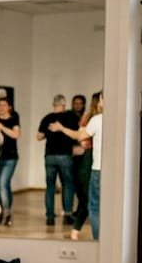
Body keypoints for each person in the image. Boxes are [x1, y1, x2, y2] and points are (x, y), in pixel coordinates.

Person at [37, 94, 80, 226]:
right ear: (64, 105)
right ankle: (67, 214)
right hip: (65, 156)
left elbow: (39, 136)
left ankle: (50, 217)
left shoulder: (47, 118)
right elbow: (77, 134)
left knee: (50, 186)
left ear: (53, 105)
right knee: (67, 185)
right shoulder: (71, 116)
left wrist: (49, 132)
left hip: (49, 156)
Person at [69, 90, 101, 240]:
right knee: (89, 200)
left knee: (90, 201)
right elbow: (81, 138)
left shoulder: (95, 119)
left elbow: (81, 137)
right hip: (89, 160)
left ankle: (77, 232)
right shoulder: (91, 118)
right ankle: (76, 231)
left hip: (92, 161)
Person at [76, 91, 103, 241]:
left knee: (94, 206)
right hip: (113, 170)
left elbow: (81, 137)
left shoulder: (97, 119)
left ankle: (98, 239)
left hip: (97, 167)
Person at [0, 96, 21, 227]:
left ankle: (7, 213)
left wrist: (1, 127)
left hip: (11, 158)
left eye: (4, 105)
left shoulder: (14, 118)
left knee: (3, 184)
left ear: (9, 107)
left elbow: (16, 135)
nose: (1, 107)